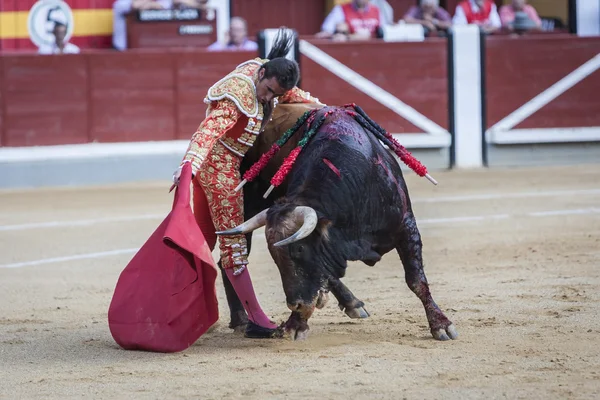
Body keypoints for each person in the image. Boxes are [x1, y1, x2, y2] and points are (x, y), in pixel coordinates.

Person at [171, 30, 323, 338]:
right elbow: (207, 132)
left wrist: (333, 114)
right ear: (261, 74)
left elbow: (304, 100)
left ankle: (177, 302)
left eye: (274, 95)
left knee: (201, 241)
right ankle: (255, 320)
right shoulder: (236, 93)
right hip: (219, 167)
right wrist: (189, 165)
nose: (268, 98)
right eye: (267, 90)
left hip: (235, 165)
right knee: (233, 244)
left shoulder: (269, 78)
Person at [317, 0, 383, 40]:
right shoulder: (341, 9)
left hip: (373, 51)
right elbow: (327, 30)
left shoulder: (377, 10)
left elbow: (386, 32)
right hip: (349, 51)